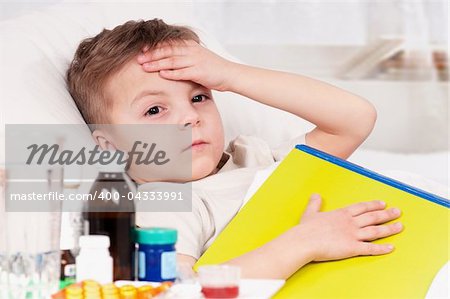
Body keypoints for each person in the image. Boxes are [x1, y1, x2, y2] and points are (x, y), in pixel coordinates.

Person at [66, 19, 403, 279]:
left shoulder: (253, 157)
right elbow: (179, 291)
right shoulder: (165, 203)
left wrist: (229, 75)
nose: (189, 117)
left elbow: (354, 120)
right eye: (154, 110)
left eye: (199, 97)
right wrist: (304, 243)